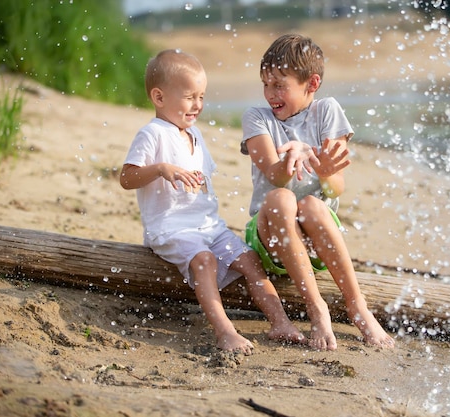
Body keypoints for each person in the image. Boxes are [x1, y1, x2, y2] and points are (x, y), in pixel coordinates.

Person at [120, 49, 305, 355]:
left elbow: (201, 182)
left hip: (208, 225)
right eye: (190, 96)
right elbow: (127, 178)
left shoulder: (195, 134)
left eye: (202, 97)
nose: (198, 105)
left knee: (249, 260)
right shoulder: (152, 134)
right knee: (204, 262)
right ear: (159, 97)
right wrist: (161, 169)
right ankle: (225, 331)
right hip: (171, 229)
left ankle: (280, 321)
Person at [241, 34, 395, 351]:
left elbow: (336, 187)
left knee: (311, 203)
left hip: (316, 240)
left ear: (311, 83)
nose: (271, 94)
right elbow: (274, 176)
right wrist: (291, 156)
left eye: (279, 85)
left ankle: (357, 306)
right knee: (282, 197)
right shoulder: (257, 118)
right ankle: (317, 306)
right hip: (271, 237)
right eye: (266, 85)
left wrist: (325, 173)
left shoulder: (327, 111)